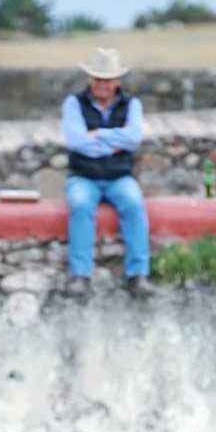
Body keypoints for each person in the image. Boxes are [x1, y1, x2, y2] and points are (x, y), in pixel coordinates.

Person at [61, 47, 154, 298]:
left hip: (119, 177)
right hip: (83, 176)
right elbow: (76, 141)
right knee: (79, 205)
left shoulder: (131, 104)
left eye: (108, 79)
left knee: (134, 204)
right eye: (98, 79)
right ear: (90, 79)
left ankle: (138, 274)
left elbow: (133, 138)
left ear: (117, 81)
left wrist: (99, 135)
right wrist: (113, 144)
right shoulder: (74, 103)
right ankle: (80, 274)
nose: (103, 85)